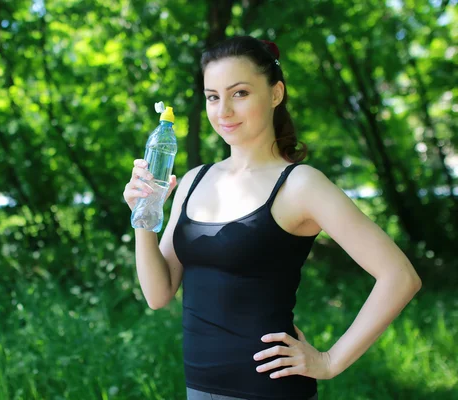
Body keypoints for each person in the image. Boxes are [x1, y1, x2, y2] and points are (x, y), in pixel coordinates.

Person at [122, 36, 422, 400]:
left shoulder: (300, 184)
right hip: (199, 389)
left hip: (269, 390)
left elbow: (399, 276)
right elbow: (159, 294)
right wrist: (144, 214)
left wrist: (330, 361)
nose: (224, 111)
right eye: (213, 96)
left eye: (240, 93)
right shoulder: (193, 180)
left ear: (275, 93)